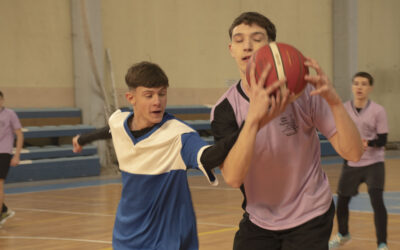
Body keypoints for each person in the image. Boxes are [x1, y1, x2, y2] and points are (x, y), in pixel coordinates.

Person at [72, 61, 288, 250]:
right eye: (149, 95)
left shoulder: (179, 135)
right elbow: (109, 129)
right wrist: (82, 140)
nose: (157, 101)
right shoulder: (119, 120)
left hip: (168, 239)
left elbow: (208, 157)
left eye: (162, 93)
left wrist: (251, 124)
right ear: (132, 98)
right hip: (126, 235)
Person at [210, 12, 364, 250]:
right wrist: (254, 120)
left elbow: (353, 153)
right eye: (239, 40)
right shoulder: (225, 109)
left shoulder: (304, 93)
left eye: (256, 38)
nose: (247, 46)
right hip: (259, 218)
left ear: (272, 47)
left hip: (310, 214)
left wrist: (334, 102)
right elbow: (232, 177)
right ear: (231, 49)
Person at [329, 72, 389, 250]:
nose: (359, 87)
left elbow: (384, 140)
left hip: (374, 163)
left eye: (363, 84)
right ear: (351, 87)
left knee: (377, 202)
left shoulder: (378, 110)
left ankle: (382, 244)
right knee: (342, 202)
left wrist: (368, 142)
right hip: (351, 162)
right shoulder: (344, 109)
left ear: (370, 87)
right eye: (356, 83)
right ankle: (343, 234)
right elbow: (337, 132)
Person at [0, 91, 24, 227]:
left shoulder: (10, 114)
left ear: (2, 100)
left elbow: (19, 135)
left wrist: (16, 155)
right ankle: (4, 210)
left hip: (3, 153)